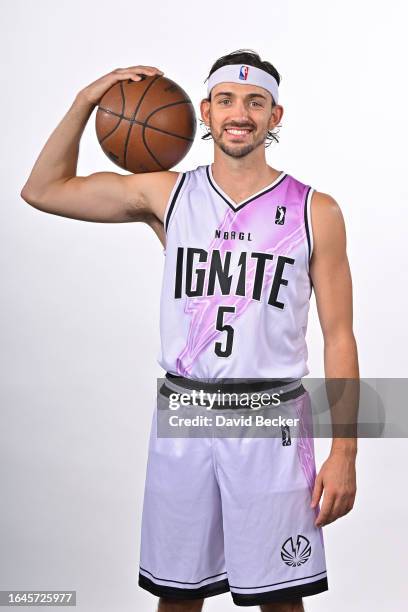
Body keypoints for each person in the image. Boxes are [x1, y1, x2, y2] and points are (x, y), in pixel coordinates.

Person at [21, 49, 358, 611]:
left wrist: (346, 452)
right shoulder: (168, 194)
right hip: (185, 414)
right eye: (226, 100)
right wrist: (87, 98)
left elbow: (341, 336)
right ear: (204, 111)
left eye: (256, 102)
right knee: (177, 598)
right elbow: (42, 189)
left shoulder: (315, 209)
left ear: (276, 116)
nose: (240, 113)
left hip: (269, 417)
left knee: (281, 599)